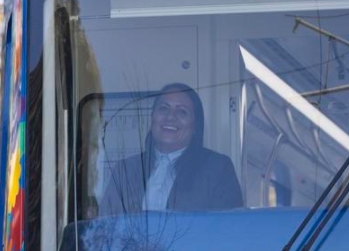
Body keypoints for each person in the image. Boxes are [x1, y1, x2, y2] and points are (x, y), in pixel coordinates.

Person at [99, 83, 243, 214]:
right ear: (152, 117)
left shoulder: (217, 169)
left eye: (182, 112)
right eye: (163, 108)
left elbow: (228, 230)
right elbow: (104, 230)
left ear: (195, 126)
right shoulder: (124, 170)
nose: (170, 117)